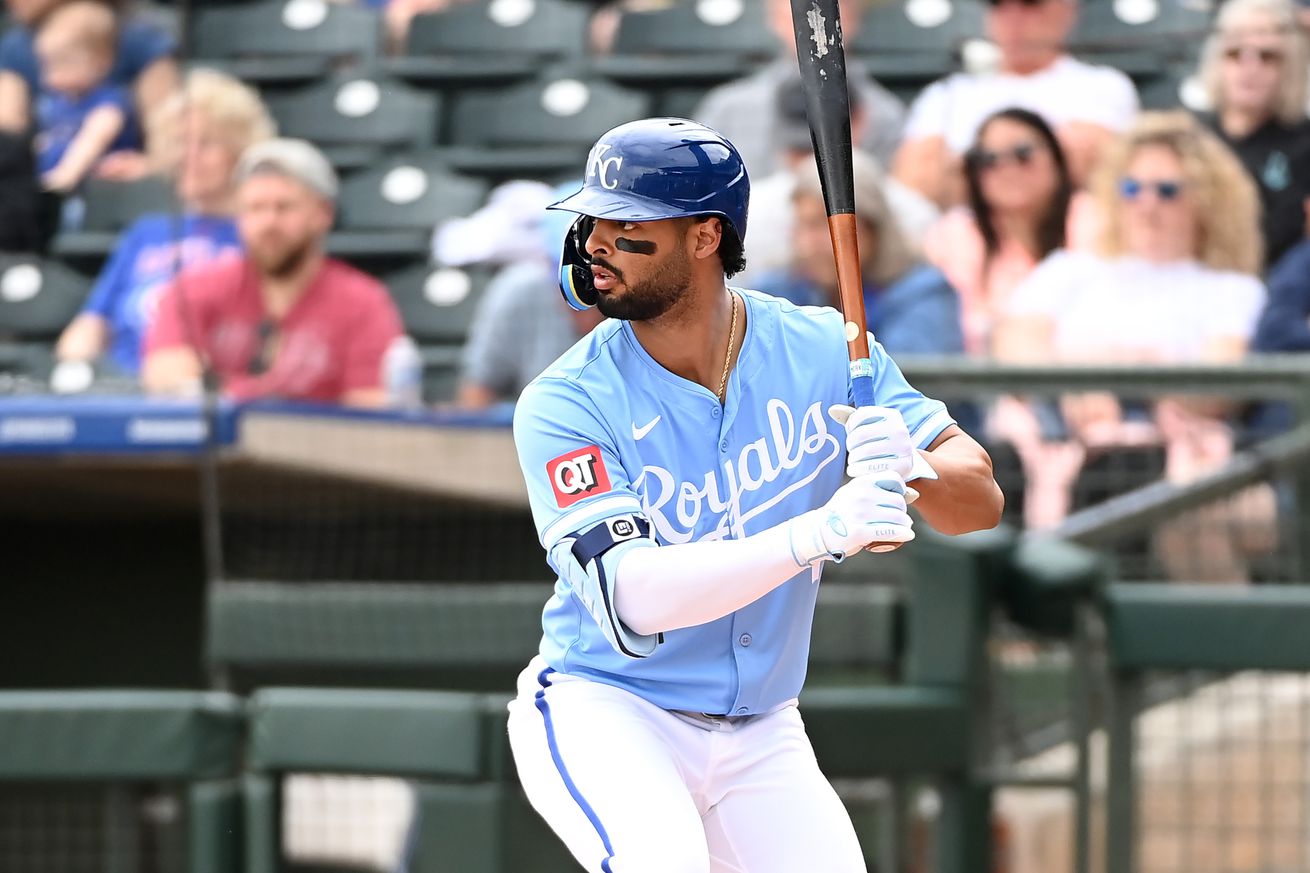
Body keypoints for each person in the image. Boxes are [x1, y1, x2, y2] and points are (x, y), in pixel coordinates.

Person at [506, 117, 1003, 872]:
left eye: (627, 223)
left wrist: (915, 467)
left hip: (761, 725)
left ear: (706, 237)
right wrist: (816, 532)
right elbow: (635, 595)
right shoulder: (566, 400)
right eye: (592, 220)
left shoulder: (822, 346)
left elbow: (982, 503)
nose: (597, 242)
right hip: (611, 706)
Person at [995, 112, 1269, 574]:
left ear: (1206, 200)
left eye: (1167, 190)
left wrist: (1110, 373)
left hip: (1158, 454)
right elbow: (1014, 346)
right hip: (1053, 440)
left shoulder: (1231, 288)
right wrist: (1077, 385)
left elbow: (1218, 388)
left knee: (1192, 503)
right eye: (1131, 188)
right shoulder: (1070, 269)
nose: (1146, 203)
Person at [143, 138, 404, 407]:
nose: (269, 223)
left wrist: (225, 389)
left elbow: (371, 408)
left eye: (284, 207)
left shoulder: (363, 302)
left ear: (322, 214)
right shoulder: (193, 288)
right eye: (255, 208)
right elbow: (167, 378)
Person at [54, 69, 275, 379]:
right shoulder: (145, 234)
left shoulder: (260, 234)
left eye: (206, 144)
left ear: (239, 152)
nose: (189, 156)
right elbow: (92, 322)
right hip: (126, 386)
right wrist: (73, 370)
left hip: (210, 388)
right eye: (181, 143)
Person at [893, 0, 1138, 207]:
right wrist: (1037, 153)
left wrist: (961, 165)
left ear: (1067, 8)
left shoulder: (1102, 85)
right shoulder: (946, 93)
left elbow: (1085, 163)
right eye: (999, 4)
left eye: (1029, 3)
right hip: (962, 246)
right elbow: (914, 187)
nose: (1013, 17)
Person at [755, 151, 964, 357]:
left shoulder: (923, 293)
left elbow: (903, 380)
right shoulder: (781, 291)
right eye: (801, 226)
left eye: (821, 226)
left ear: (870, 227)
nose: (806, 245)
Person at [923, 107, 1093, 356]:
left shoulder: (1094, 217)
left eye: (1022, 154)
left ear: (1057, 157)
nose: (1006, 167)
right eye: (988, 160)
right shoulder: (952, 236)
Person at [742, 75, 939, 285]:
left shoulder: (914, 214)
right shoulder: (750, 214)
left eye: (821, 148)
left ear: (859, 121)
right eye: (800, 149)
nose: (814, 162)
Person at [693, 0, 905, 178]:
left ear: (853, 18)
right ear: (774, 17)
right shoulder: (728, 107)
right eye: (800, 9)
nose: (814, 20)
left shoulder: (886, 113)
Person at [455, 185, 604, 408]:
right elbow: (477, 393)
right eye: (568, 269)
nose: (583, 287)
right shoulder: (517, 290)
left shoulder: (650, 300)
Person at [0, 0, 177, 181]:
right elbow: (7, 137)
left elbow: (170, 135)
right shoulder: (15, 47)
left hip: (116, 184)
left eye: (66, 61)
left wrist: (151, 165)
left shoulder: (139, 40)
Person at [1196, 0, 1310, 268]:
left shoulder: (1305, 143)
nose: (1250, 67)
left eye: (1267, 56)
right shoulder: (1189, 135)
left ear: (1291, 65)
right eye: (1235, 53)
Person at [30, 1, 140, 192]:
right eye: (47, 64)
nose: (51, 76)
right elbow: (46, 141)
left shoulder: (108, 103)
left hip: (92, 193)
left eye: (63, 63)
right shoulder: (57, 102)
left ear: (101, 60)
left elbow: (92, 142)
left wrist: (64, 177)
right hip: (46, 186)